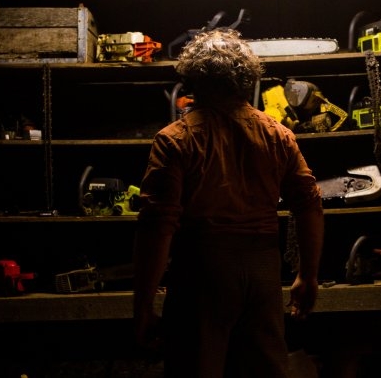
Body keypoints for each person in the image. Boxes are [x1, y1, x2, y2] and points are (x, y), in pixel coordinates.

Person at [132, 27, 324, 378]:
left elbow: (157, 226)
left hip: (202, 273)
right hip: (263, 272)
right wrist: (307, 276)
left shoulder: (176, 140)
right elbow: (309, 204)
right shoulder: (277, 134)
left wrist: (143, 304)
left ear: (193, 80)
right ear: (246, 79)